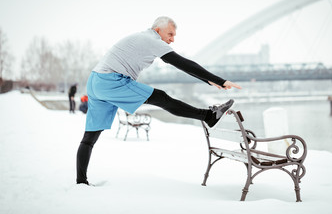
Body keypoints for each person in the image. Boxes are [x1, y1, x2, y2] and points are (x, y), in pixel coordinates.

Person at [76, 16, 242, 185]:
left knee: (89, 137)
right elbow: (183, 63)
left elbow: (182, 65)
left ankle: (81, 182)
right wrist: (219, 80)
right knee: (161, 98)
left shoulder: (141, 38)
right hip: (111, 80)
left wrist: (208, 80)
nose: (172, 39)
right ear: (158, 31)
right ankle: (209, 116)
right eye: (170, 34)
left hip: (95, 81)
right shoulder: (151, 39)